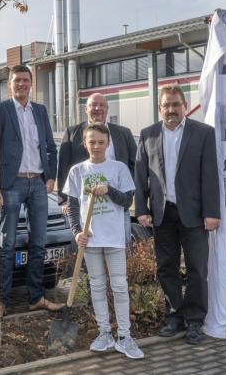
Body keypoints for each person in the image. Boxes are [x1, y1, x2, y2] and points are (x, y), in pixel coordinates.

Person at [134, 84, 220, 345]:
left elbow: (210, 175)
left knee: (197, 269)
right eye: (166, 105)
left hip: (194, 214)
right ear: (159, 108)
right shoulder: (148, 134)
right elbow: (140, 176)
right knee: (166, 268)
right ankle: (175, 316)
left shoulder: (203, 133)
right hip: (162, 214)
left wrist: (211, 212)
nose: (171, 109)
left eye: (175, 104)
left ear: (185, 106)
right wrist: (141, 209)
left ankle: (195, 320)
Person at [64, 123, 143, 359]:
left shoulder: (119, 168)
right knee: (97, 286)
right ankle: (104, 333)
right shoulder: (77, 171)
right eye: (92, 142)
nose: (96, 146)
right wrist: (76, 232)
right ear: (84, 144)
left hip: (114, 237)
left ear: (108, 143)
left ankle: (125, 337)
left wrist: (108, 189)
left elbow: (127, 201)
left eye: (101, 142)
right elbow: (72, 206)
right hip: (90, 239)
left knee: (119, 286)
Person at [0, 65, 61, 317]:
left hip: (38, 183)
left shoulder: (40, 111)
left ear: (31, 83)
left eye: (25, 80)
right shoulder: (1, 110)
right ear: (10, 84)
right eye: (17, 80)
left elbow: (50, 147)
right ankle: (1, 302)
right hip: (12, 183)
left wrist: (51, 176)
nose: (21, 84)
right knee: (7, 244)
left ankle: (36, 298)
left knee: (39, 243)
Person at [57, 92, 137, 244]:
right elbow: (64, 167)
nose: (97, 108)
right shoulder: (72, 133)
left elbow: (134, 165)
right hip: (87, 205)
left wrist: (128, 190)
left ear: (107, 109)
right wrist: (64, 200)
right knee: (88, 245)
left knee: (122, 245)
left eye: (101, 105)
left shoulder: (123, 133)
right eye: (93, 105)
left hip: (118, 203)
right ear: (86, 109)